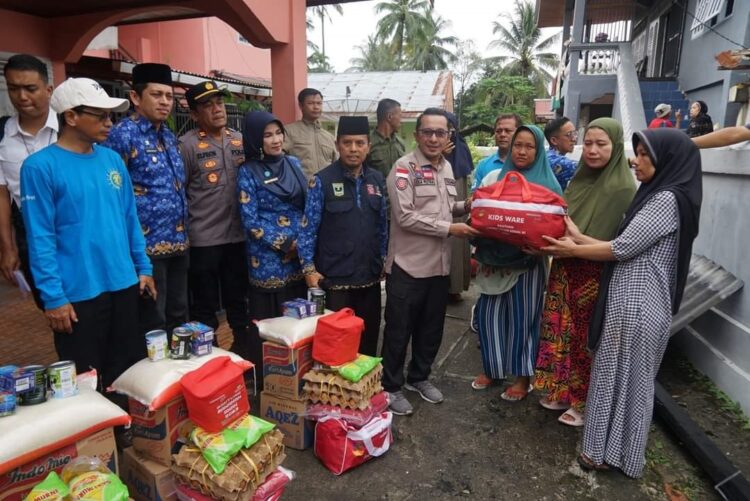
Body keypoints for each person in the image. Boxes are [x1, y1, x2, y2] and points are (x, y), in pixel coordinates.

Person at [541, 128, 702, 477]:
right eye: (637, 152)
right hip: (633, 302)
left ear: (668, 160)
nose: (636, 160)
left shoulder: (666, 200)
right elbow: (629, 241)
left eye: (645, 155)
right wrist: (577, 235)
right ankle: (607, 451)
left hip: (639, 305)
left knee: (627, 381)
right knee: (615, 379)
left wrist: (572, 249)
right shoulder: (660, 195)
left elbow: (621, 249)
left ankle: (612, 454)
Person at [20, 77, 155, 389]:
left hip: (123, 283)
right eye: (101, 116)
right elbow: (40, 237)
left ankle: (126, 434)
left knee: (126, 372)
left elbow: (129, 219)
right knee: (85, 379)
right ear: (71, 117)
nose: (109, 123)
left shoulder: (111, 160)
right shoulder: (40, 167)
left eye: (111, 116)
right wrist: (53, 297)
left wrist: (143, 268)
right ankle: (97, 438)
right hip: (78, 293)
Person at [534, 118, 636, 427]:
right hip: (565, 264)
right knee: (559, 328)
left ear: (615, 147)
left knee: (584, 338)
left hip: (595, 272)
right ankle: (560, 389)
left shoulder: (621, 187)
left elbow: (618, 244)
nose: (592, 150)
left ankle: (582, 402)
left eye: (601, 144)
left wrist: (574, 245)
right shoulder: (580, 178)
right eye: (588, 143)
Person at [381, 107, 479, 416]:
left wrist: (468, 206)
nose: (434, 139)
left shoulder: (446, 168)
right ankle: (391, 387)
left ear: (449, 136)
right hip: (408, 266)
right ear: (416, 134)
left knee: (431, 328)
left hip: (439, 266)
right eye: (428, 132)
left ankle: (418, 378)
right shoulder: (403, 168)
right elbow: (405, 216)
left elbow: (448, 207)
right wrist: (451, 228)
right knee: (399, 331)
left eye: (441, 133)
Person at [471, 125, 561, 402]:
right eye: (517, 145)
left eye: (529, 146)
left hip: (528, 264)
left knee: (524, 320)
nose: (521, 151)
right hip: (493, 262)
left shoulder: (549, 184)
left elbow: (558, 226)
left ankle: (523, 378)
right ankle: (493, 369)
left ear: (539, 150)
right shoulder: (496, 177)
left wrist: (540, 247)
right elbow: (481, 212)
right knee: (489, 317)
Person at [104, 63, 189, 335]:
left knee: (179, 313)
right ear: (136, 98)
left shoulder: (167, 135)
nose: (165, 102)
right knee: (153, 320)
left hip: (178, 242)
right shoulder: (122, 135)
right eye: (156, 95)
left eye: (169, 96)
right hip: (145, 248)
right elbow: (112, 195)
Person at [298, 116, 388, 356]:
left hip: (369, 278)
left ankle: (366, 390)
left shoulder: (376, 180)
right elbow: (308, 228)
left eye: (360, 143)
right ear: (338, 145)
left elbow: (382, 226)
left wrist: (383, 257)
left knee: (368, 341)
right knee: (337, 345)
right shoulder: (322, 180)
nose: (353, 149)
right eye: (347, 143)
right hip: (335, 281)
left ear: (368, 146)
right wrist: (308, 269)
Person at [237, 111, 308, 385]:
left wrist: (301, 241)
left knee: (295, 316)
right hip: (266, 258)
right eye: (268, 135)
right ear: (256, 139)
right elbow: (250, 219)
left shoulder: (293, 163)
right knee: (269, 321)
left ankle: (295, 373)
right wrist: (284, 243)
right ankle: (266, 378)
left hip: (298, 256)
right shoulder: (247, 171)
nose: (276, 140)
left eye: (278, 133)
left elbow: (306, 205)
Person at [179, 81, 248, 353]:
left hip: (237, 237)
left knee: (238, 302)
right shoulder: (186, 146)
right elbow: (179, 193)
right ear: (195, 114)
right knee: (205, 307)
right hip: (204, 241)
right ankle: (210, 357)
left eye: (219, 103)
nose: (217, 109)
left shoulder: (239, 140)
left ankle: (244, 355)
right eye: (207, 105)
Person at [0, 54, 58, 308]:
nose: (22, 97)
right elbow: (2, 195)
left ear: (48, 90)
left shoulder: (71, 127)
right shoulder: (2, 135)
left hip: (73, 228)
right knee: (50, 305)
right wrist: (8, 247)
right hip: (29, 233)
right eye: (13, 88)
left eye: (30, 89)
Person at [445, 112, 473, 302]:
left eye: (449, 130)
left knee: (456, 244)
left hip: (458, 208)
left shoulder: (459, 150)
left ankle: (453, 288)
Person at [283, 88, 337, 179]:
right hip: (301, 189)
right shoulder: (289, 131)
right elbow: (278, 161)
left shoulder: (329, 137)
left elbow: (336, 165)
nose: (316, 107)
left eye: (319, 103)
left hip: (327, 189)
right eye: (311, 103)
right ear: (301, 106)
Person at [470, 114, 521, 192]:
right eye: (498, 131)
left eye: (508, 131)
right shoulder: (483, 165)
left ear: (519, 133)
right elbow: (476, 197)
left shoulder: (524, 164)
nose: (502, 135)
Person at [367, 98, 405, 178]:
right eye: (400, 116)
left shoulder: (400, 143)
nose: (401, 121)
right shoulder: (367, 142)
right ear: (389, 117)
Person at [544, 116, 579, 191]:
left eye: (575, 133)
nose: (574, 139)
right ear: (554, 140)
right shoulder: (556, 161)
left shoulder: (547, 156)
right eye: (569, 135)